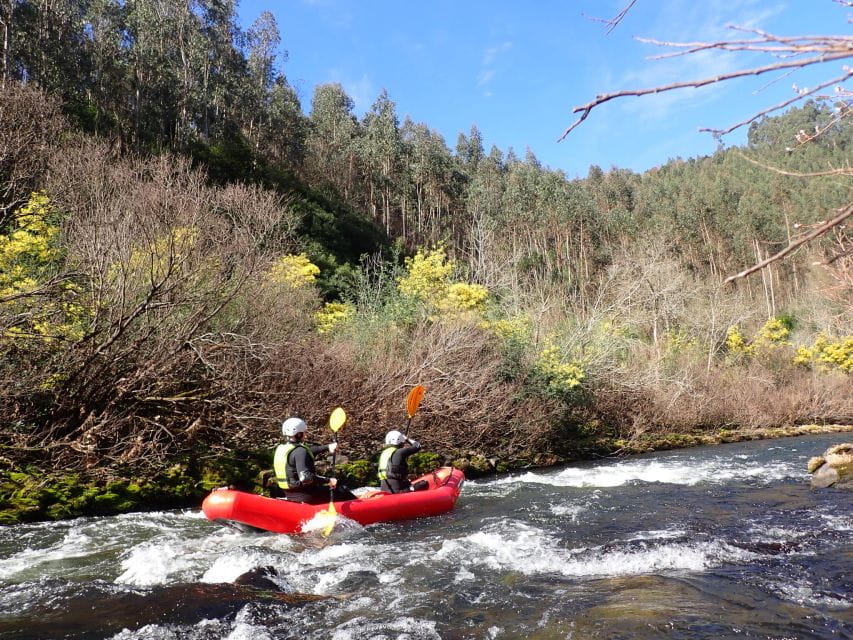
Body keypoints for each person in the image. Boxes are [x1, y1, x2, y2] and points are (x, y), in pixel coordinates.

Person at [274, 417, 356, 504]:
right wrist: (328, 480)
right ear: (299, 434)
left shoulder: (282, 449)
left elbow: (308, 451)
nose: (305, 435)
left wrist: (328, 447)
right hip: (307, 496)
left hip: (291, 495)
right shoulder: (300, 451)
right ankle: (362, 508)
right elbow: (305, 477)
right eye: (304, 433)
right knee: (342, 489)